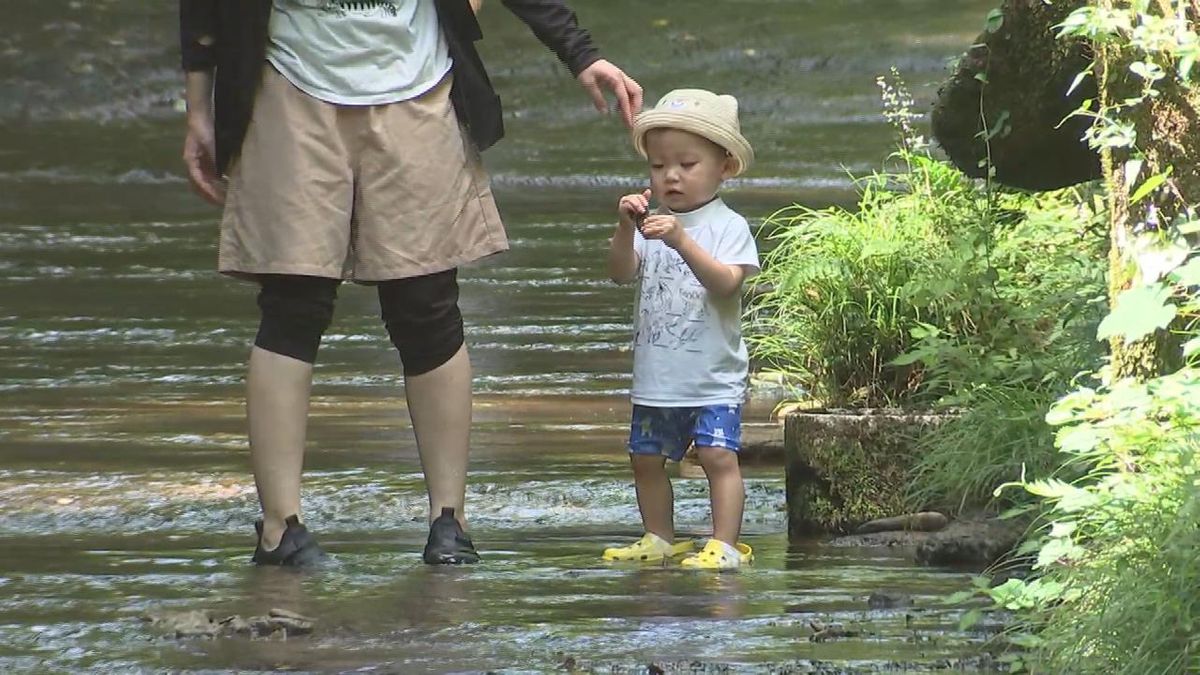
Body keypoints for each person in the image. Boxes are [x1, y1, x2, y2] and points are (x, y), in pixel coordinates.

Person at [178, 0, 642, 566]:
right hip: (286, 84)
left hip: (419, 85)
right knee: (292, 305)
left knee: (426, 307)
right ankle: (281, 529)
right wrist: (197, 106)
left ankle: (450, 521)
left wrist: (581, 53)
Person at [603, 89, 759, 570]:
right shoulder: (651, 222)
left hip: (712, 376)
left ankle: (725, 543)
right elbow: (620, 273)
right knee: (646, 458)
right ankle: (659, 537)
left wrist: (682, 239)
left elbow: (726, 284)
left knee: (717, 456)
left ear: (725, 167)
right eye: (658, 166)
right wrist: (627, 227)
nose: (670, 176)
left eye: (687, 164)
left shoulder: (727, 225)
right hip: (658, 373)